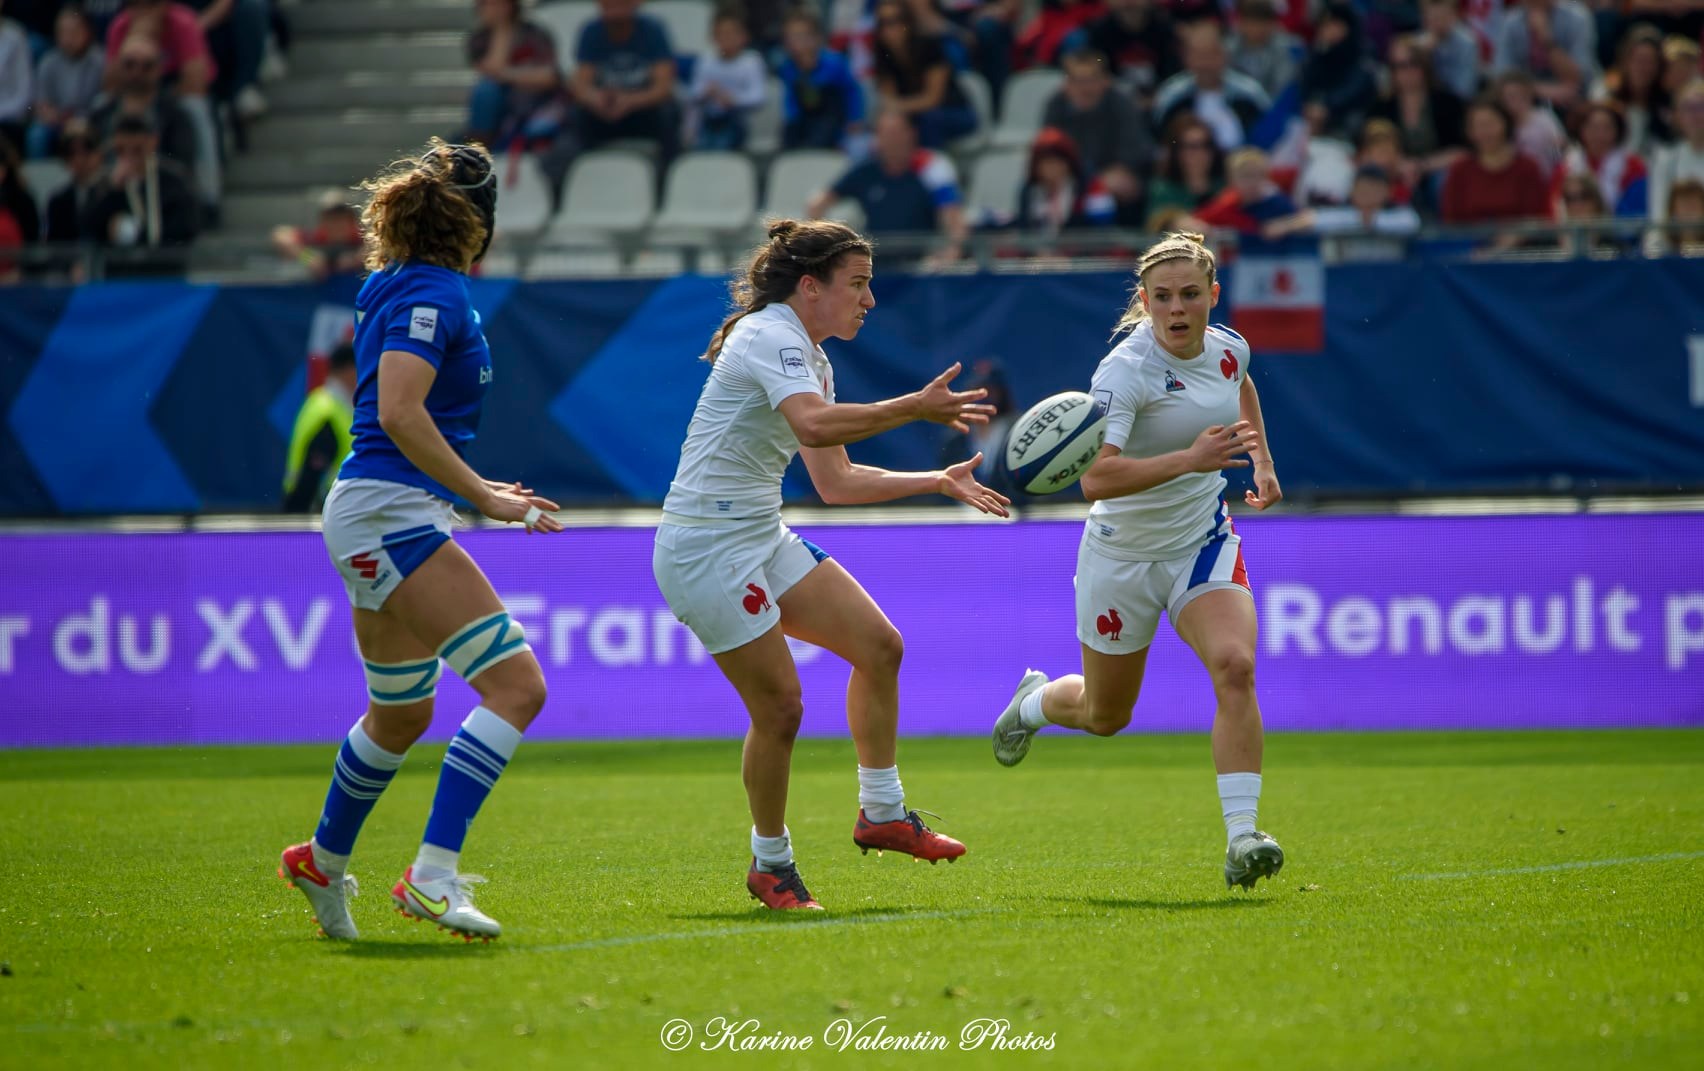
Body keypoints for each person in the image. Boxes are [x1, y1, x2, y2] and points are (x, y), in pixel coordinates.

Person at [652, 218, 1011, 910]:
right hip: (703, 546)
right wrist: (914, 407)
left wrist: (935, 482)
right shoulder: (768, 335)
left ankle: (881, 812)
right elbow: (815, 426)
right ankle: (771, 864)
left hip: (758, 534)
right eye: (858, 284)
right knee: (781, 707)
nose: (869, 300)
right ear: (810, 286)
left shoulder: (810, 356)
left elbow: (836, 481)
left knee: (880, 646)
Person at [278, 139, 563, 943]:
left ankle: (320, 860)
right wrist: (482, 497)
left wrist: (474, 489)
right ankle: (432, 876)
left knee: (400, 713)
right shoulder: (433, 294)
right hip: (390, 513)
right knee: (518, 688)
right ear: (479, 225)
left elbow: (405, 417)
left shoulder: (396, 283)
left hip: (384, 506)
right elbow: (402, 413)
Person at [990, 231, 1286, 893]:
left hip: (1202, 541)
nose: (1177, 309)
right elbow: (1096, 479)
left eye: (1189, 295)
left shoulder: (1229, 348)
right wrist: (1191, 458)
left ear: (1212, 294)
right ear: (1145, 302)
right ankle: (1033, 702)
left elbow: (1242, 389)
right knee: (1105, 715)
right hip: (1121, 557)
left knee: (1235, 667)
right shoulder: (1125, 371)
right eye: (1162, 298)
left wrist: (1261, 461)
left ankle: (1243, 837)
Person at [464, 0, 566, 149]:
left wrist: (506, 74)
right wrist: (502, 29)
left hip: (536, 100)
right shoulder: (479, 39)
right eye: (489, 4)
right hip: (502, 105)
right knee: (485, 91)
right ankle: (481, 149)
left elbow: (550, 76)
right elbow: (492, 69)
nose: (495, 8)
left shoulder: (534, 33)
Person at [281, 341, 357, 513]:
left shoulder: (321, 402)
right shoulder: (328, 411)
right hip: (315, 513)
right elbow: (312, 474)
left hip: (324, 510)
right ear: (350, 370)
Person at [28, 5, 106, 159]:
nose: (68, 38)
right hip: (57, 122)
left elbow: (104, 100)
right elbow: (41, 102)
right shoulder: (48, 62)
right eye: (62, 32)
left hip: (91, 120)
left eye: (73, 32)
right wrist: (52, 115)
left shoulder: (101, 61)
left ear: (87, 31)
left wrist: (81, 118)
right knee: (37, 135)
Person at [686, 10, 767, 150]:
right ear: (713, 37)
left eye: (731, 33)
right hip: (709, 118)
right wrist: (707, 92)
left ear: (744, 36)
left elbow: (758, 97)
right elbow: (693, 93)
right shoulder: (706, 61)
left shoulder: (752, 61)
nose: (726, 38)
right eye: (721, 34)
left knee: (724, 139)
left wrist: (733, 101)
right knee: (701, 139)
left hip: (738, 119)